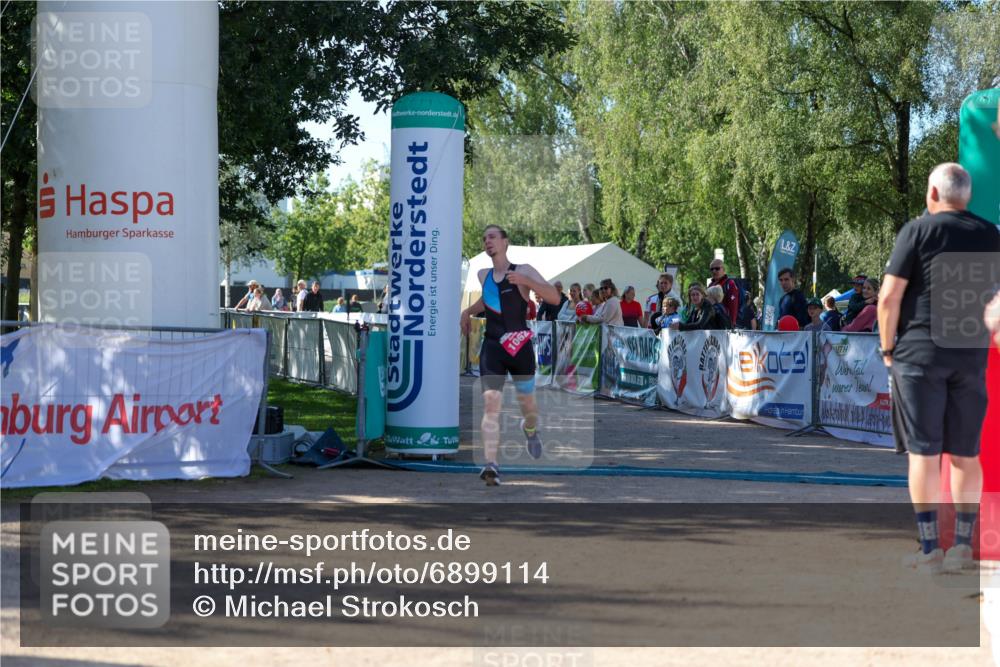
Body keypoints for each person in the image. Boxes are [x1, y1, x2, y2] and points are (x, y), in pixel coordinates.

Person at [878, 162, 1000, 573]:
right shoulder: (990, 234)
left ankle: (930, 549)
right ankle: (962, 547)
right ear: (966, 196)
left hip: (918, 355)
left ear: (933, 194)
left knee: (924, 455)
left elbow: (888, 298)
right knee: (967, 454)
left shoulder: (917, 231)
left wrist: (887, 349)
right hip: (970, 354)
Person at [459, 225, 561, 487]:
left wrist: (527, 283)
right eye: (484, 239)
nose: (487, 242)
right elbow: (488, 301)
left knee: (528, 406)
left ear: (505, 242)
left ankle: (530, 429)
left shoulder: (523, 270)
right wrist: (466, 312)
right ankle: (491, 464)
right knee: (491, 404)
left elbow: (554, 298)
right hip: (493, 348)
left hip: (520, 347)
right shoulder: (483, 275)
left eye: (492, 237)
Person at [708, 260, 740, 325]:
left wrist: (732, 323)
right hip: (713, 322)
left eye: (717, 268)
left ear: (723, 270)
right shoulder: (710, 285)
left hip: (724, 324)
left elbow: (733, 305)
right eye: (712, 269)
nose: (714, 271)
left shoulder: (730, 284)